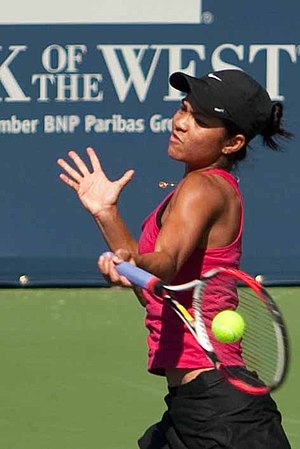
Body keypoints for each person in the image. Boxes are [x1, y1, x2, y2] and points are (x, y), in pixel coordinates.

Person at [57, 69, 292, 449]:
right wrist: (107, 214)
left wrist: (131, 261)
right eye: (183, 109)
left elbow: (165, 261)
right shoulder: (198, 187)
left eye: (199, 120)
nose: (181, 123)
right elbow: (156, 292)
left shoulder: (202, 188)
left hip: (221, 414)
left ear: (232, 143)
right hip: (195, 407)